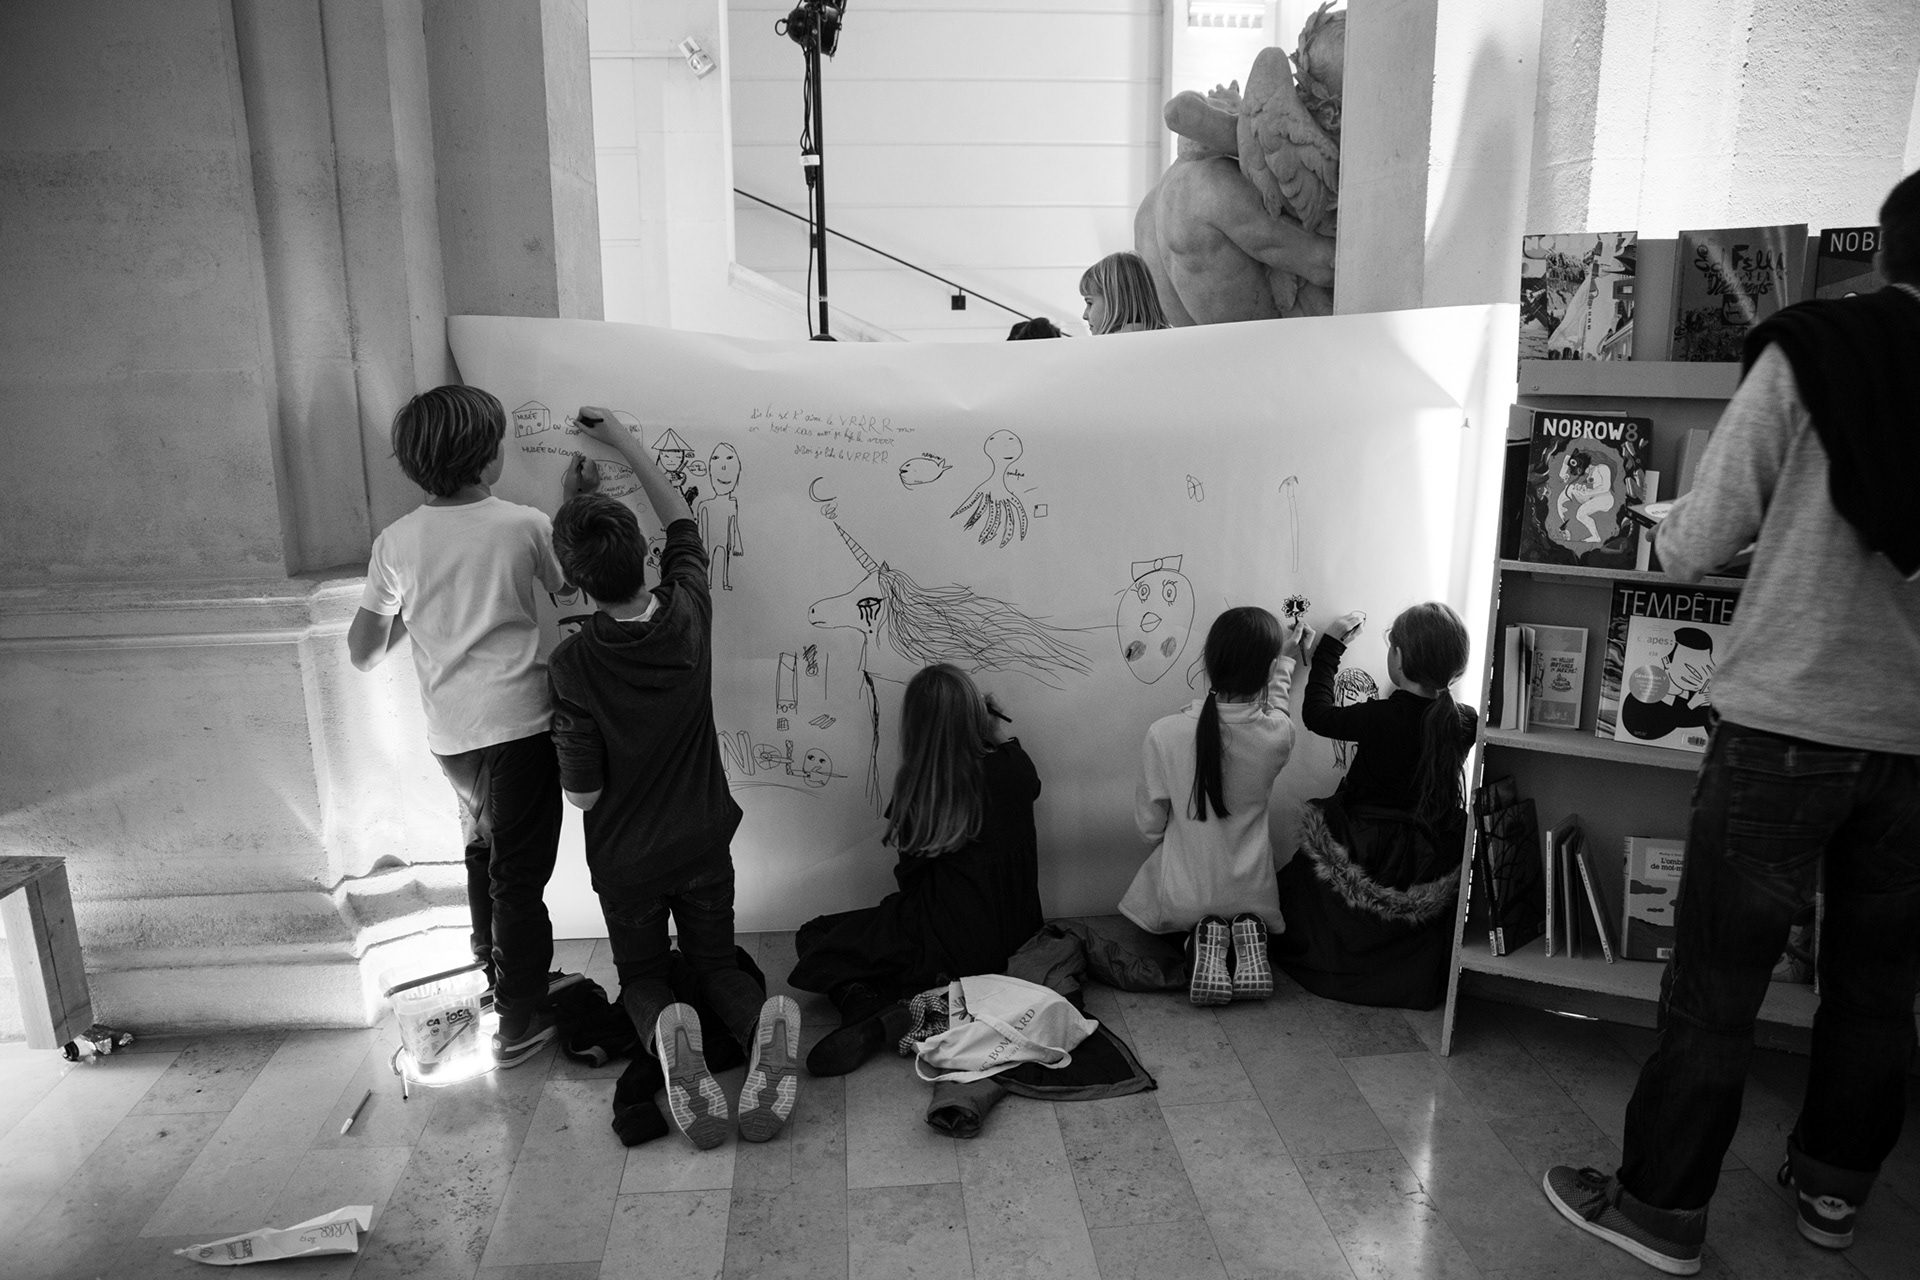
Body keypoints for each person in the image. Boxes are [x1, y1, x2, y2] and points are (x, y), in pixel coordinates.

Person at [1544, 171, 1920, 1275]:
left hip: (1786, 724)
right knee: (1876, 990)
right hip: (1913, 742)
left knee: (1714, 987)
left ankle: (1661, 1208)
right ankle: (1835, 1190)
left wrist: (1670, 522)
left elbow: (1699, 542)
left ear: (1883, 251)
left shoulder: (1812, 351)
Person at [548, 406, 799, 1150]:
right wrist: (623, 439)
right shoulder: (689, 608)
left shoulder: (573, 664)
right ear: (645, 556)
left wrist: (569, 508)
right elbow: (683, 520)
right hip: (703, 838)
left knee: (645, 979)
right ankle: (757, 1028)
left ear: (574, 581)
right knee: (716, 962)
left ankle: (669, 1039)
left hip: (626, 859)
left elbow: (583, 794)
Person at [347, 385, 574, 1067]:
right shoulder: (525, 524)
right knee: (519, 877)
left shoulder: (397, 542)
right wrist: (572, 505)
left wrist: (418, 613)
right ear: (488, 455)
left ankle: (500, 982)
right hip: (522, 723)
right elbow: (569, 591)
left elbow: (364, 652)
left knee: (484, 856)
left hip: (453, 738)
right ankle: (521, 1017)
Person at [790, 664, 1044, 1077]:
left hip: (948, 942)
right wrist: (995, 731)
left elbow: (910, 883)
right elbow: (1030, 784)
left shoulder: (921, 790)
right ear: (976, 714)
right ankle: (917, 997)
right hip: (1018, 939)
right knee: (879, 934)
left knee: (815, 933)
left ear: (915, 725)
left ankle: (871, 1006)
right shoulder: (1015, 767)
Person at [1272, 603, 1475, 1010]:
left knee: (1297, 886)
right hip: (1427, 855)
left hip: (1362, 847)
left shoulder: (1382, 716)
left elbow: (1317, 716)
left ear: (1398, 658)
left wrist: (1330, 647)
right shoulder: (1464, 721)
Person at [1118, 606, 1298, 1006]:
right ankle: (1245, 936)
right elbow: (1276, 713)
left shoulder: (1165, 733)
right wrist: (1285, 664)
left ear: (1208, 661)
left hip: (1184, 896)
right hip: (1253, 893)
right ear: (1268, 671)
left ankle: (1196, 942)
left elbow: (1149, 827)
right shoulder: (1278, 736)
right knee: (1241, 913)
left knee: (1159, 921)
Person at [1080, 251, 1170, 335]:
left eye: (1090, 303)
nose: (1084, 316)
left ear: (1117, 302)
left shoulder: (1107, 345)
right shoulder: (1170, 338)